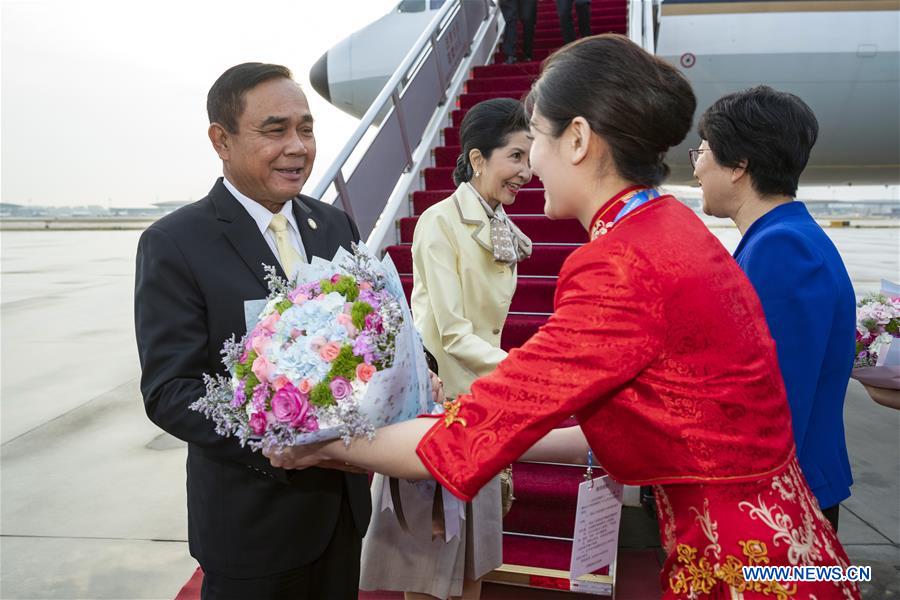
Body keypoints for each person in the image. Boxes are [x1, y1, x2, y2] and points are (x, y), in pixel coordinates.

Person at [266, 35, 861, 600]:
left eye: (536, 141)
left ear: (577, 139)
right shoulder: (669, 226)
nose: (532, 164)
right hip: (784, 538)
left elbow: (473, 431)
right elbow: (639, 422)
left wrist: (330, 445)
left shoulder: (622, 263)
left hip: (738, 563)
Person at [134, 62, 370, 599]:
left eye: (306, 129)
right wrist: (282, 436)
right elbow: (170, 391)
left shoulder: (333, 224)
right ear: (222, 140)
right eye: (275, 130)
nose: (298, 147)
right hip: (251, 525)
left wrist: (419, 365)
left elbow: (372, 324)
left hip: (340, 514)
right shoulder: (176, 243)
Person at [360, 98, 533, 600]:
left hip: (482, 402)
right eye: (515, 157)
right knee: (430, 569)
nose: (527, 171)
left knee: (473, 564)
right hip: (441, 407)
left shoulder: (499, 223)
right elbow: (454, 333)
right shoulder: (439, 221)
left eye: (529, 157)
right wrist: (525, 373)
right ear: (478, 159)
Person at [691, 85, 856, 532]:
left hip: (779, 503)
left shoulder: (780, 249)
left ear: (739, 165)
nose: (696, 169)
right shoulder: (781, 239)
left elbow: (771, 403)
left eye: (701, 151)